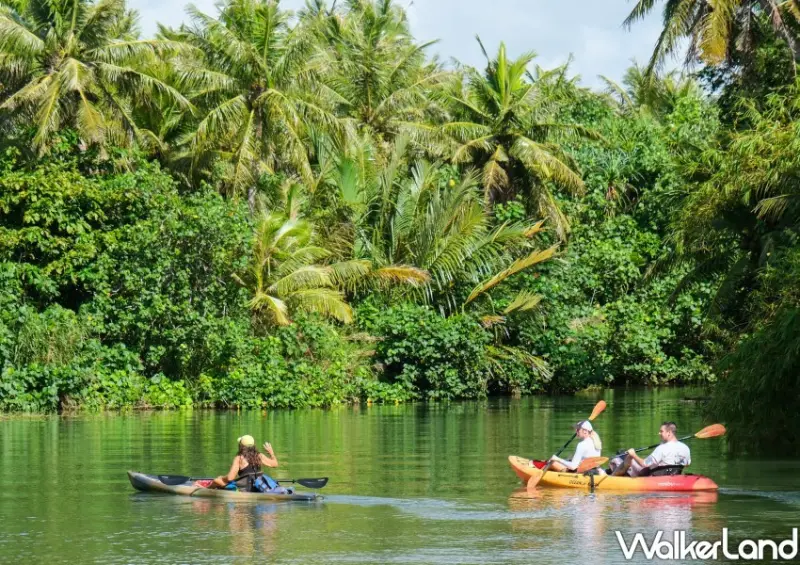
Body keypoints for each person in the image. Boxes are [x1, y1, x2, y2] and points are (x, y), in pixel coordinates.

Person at [610, 421, 691, 477]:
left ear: (669, 433)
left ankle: (612, 477)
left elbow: (644, 464)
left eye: (661, 431)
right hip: (674, 475)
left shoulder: (662, 448)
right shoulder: (685, 448)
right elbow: (687, 464)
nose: (659, 433)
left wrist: (633, 454)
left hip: (657, 477)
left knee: (627, 457)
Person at [209, 435, 279, 491]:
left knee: (216, 480)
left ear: (241, 446)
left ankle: (206, 490)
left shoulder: (239, 458)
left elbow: (230, 478)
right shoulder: (260, 456)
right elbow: (275, 464)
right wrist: (271, 453)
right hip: (257, 487)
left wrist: (222, 478)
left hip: (243, 489)